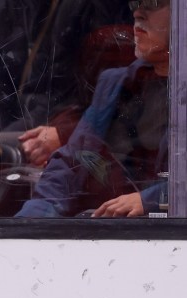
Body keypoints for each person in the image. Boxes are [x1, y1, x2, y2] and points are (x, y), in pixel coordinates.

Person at [16, 0, 169, 218]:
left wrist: (152, 200)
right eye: (135, 3)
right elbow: (71, 162)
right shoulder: (115, 84)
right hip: (106, 231)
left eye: (153, 3)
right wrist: (32, 221)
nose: (138, 13)